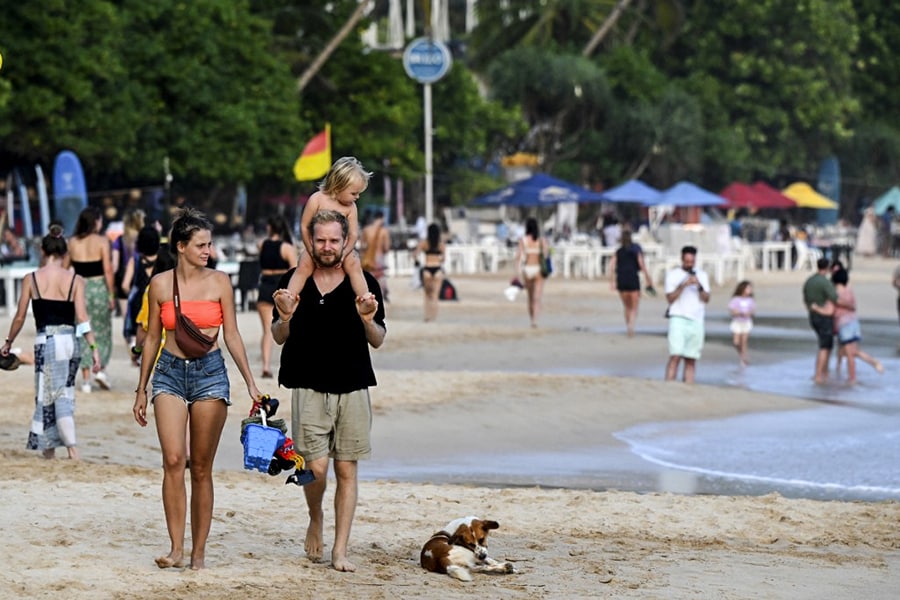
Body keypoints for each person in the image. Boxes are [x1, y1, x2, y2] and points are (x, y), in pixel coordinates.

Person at [131, 208, 261, 570]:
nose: (209, 250)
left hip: (209, 374)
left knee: (201, 467)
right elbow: (153, 338)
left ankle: (198, 553)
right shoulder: (159, 284)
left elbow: (231, 334)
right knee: (173, 460)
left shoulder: (220, 282)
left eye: (210, 244)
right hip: (169, 373)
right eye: (201, 244)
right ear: (181, 247)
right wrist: (141, 388)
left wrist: (250, 381)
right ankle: (175, 548)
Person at [271, 210, 385, 572]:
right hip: (307, 384)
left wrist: (368, 320)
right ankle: (315, 515)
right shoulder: (295, 280)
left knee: (347, 469)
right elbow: (277, 336)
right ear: (311, 241)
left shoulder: (363, 283)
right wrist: (285, 316)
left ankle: (340, 550)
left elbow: (379, 339)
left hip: (352, 386)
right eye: (320, 240)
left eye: (334, 240)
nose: (327, 247)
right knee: (315, 469)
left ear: (346, 240)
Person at [1, 225, 100, 460]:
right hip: (70, 341)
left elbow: (20, 316)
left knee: (47, 395)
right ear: (65, 253)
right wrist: (93, 348)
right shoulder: (76, 280)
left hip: (46, 341)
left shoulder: (31, 279)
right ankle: (49, 450)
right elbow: (83, 318)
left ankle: (72, 449)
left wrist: (8, 341)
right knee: (63, 393)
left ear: (43, 251)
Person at [285, 156, 374, 309]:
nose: (357, 197)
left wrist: (345, 253)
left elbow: (353, 234)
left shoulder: (351, 207)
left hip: (341, 249)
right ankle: (288, 297)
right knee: (303, 266)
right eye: (354, 193)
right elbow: (304, 226)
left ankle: (365, 299)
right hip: (316, 247)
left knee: (354, 265)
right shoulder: (317, 199)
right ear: (339, 186)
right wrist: (310, 249)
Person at [66, 207, 114, 393]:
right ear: (95, 222)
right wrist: (111, 295)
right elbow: (108, 269)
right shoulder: (102, 241)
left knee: (83, 330)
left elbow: (65, 267)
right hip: (99, 288)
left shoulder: (73, 242)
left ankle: (85, 380)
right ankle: (100, 369)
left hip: (80, 289)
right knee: (102, 331)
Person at [256, 215, 298, 378]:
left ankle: (266, 366)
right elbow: (295, 271)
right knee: (287, 326)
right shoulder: (287, 248)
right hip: (281, 286)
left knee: (267, 330)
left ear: (270, 227)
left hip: (265, 285)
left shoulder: (262, 245)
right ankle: (290, 363)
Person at [664, 246, 711, 384]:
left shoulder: (702, 275)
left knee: (691, 359)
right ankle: (668, 386)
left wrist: (699, 286)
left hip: (696, 319)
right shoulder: (673, 275)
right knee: (675, 355)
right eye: (687, 261)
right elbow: (670, 298)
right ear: (682, 259)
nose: (689, 264)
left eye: (692, 261)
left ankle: (688, 387)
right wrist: (683, 285)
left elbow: (706, 299)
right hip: (678, 317)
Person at [828, 268, 883, 383]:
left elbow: (833, 308)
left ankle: (852, 378)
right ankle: (872, 363)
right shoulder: (849, 291)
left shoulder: (835, 293)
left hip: (844, 324)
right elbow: (852, 305)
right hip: (853, 322)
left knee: (850, 354)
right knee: (853, 352)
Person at [121, 225, 161, 364]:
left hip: (139, 304)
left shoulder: (136, 260)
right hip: (160, 301)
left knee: (141, 333)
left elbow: (125, 285)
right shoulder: (164, 260)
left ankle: (138, 355)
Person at [608, 230, 654, 337]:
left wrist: (612, 281)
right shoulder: (636, 250)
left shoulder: (618, 251)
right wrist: (648, 279)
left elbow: (612, 266)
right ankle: (631, 326)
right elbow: (641, 265)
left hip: (621, 279)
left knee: (626, 306)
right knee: (634, 306)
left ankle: (628, 324)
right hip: (633, 278)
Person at [802, 257, 839, 384]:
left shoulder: (809, 281)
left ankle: (824, 371)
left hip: (813, 315)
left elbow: (806, 298)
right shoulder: (824, 282)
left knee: (824, 344)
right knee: (825, 346)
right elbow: (834, 297)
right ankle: (819, 373)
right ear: (827, 268)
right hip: (823, 315)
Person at [514, 217, 549, 328]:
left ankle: (532, 319)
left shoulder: (523, 240)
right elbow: (546, 255)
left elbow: (518, 257)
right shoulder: (541, 240)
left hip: (527, 269)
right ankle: (535, 320)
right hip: (538, 268)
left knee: (530, 298)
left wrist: (517, 273)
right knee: (537, 297)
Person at [112, 209, 145, 317]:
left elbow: (115, 266)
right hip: (140, 278)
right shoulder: (143, 238)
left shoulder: (119, 240)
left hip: (123, 280)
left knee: (127, 319)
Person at [414, 222, 445, 322]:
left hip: (427, 269)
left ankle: (427, 316)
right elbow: (444, 258)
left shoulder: (424, 243)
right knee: (435, 295)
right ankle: (433, 317)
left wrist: (417, 262)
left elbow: (415, 254)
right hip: (437, 269)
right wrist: (438, 259)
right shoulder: (441, 244)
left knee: (427, 295)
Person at [360, 210, 391, 301]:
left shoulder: (366, 230)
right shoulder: (384, 231)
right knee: (380, 279)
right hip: (379, 258)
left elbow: (362, 247)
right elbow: (386, 248)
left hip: (368, 259)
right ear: (382, 218)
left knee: (369, 281)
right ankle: (381, 295)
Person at [727, 280, 756, 367]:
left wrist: (749, 314)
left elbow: (752, 311)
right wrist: (738, 312)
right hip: (737, 322)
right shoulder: (736, 299)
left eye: (750, 288)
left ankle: (743, 359)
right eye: (748, 288)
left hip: (746, 322)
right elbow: (731, 311)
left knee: (744, 341)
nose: (750, 290)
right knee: (736, 342)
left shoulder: (750, 300)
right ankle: (742, 355)